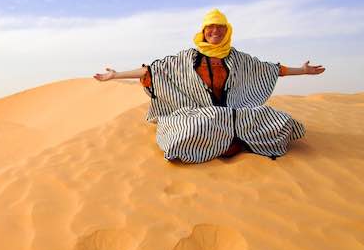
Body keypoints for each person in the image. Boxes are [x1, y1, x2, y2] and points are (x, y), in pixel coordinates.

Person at [93, 8, 325, 163]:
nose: (215, 31)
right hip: (199, 113)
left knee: (276, 120)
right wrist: (115, 75)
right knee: (198, 125)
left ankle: (226, 142)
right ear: (203, 31)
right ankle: (229, 143)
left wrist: (302, 70)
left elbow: (271, 69)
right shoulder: (187, 58)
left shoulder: (237, 58)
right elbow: (152, 70)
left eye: (220, 27)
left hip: (235, 112)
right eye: (210, 27)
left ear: (227, 30)